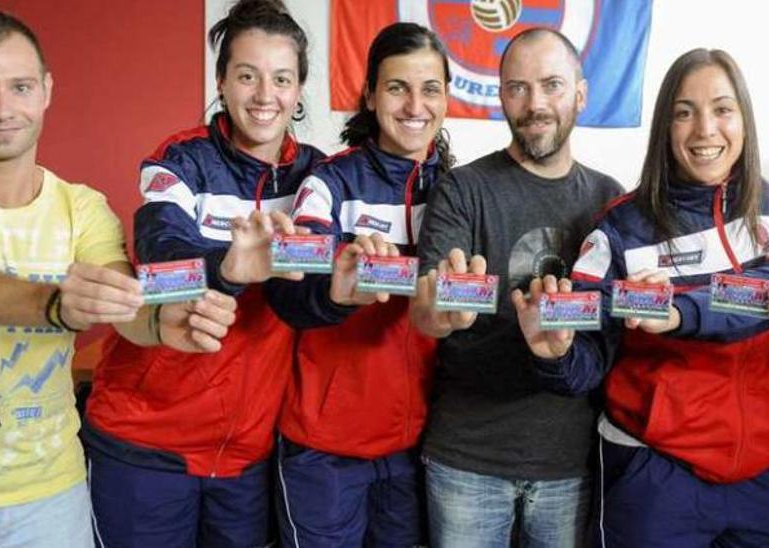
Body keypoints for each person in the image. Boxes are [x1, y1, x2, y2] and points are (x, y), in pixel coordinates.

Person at [0, 7, 235, 547]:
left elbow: (124, 305)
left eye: (20, 86)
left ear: (46, 89)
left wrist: (165, 322)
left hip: (49, 497)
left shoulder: (83, 208)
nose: (4, 109)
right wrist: (56, 304)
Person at [514, 48, 769, 547]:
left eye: (722, 109)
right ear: (665, 127)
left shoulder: (768, 206)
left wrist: (678, 310)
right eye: (684, 112)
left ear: (745, 119)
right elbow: (585, 359)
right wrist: (554, 353)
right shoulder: (621, 227)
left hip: (763, 474)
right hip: (655, 472)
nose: (705, 129)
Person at [81, 0, 323, 546]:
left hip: (245, 456)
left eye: (281, 78)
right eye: (246, 76)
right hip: (145, 443)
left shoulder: (318, 174)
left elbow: (322, 292)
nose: (265, 96)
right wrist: (229, 266)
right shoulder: (179, 159)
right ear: (221, 79)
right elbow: (158, 260)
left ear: (299, 88)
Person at [409, 28, 623, 547]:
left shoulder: (612, 199)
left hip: (570, 463)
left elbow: (611, 332)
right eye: (517, 88)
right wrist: (443, 309)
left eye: (551, 85)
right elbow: (426, 308)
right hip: (467, 459)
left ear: (581, 93)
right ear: (500, 96)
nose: (535, 104)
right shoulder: (463, 188)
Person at [247, 22, 452, 547]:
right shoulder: (330, 182)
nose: (414, 106)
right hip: (324, 449)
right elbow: (290, 292)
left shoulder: (460, 191)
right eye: (396, 87)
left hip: (415, 446)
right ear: (369, 95)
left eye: (430, 89)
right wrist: (338, 289)